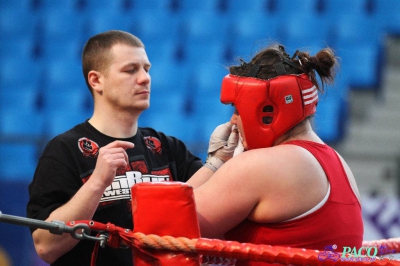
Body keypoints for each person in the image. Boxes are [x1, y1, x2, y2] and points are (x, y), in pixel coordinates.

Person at [26, 30, 207, 266]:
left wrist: (221, 157)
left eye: (146, 69)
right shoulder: (64, 150)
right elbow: (45, 246)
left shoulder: (167, 147)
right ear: (96, 80)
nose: (145, 78)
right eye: (131, 70)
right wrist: (97, 183)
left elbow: (207, 205)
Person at [188, 44, 364, 265]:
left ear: (267, 113)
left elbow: (166, 227)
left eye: (237, 109)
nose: (233, 120)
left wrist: (214, 163)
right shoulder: (338, 163)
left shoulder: (260, 166)